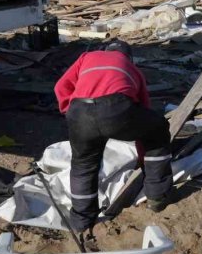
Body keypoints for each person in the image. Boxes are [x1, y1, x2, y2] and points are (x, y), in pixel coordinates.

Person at [54, 40, 173, 239]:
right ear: (128, 56)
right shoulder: (132, 69)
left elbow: (61, 87)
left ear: (106, 50)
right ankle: (157, 196)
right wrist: (143, 157)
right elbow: (143, 111)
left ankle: (82, 220)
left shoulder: (87, 57)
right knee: (157, 131)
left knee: (83, 164)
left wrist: (71, 112)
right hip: (116, 109)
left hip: (80, 111)